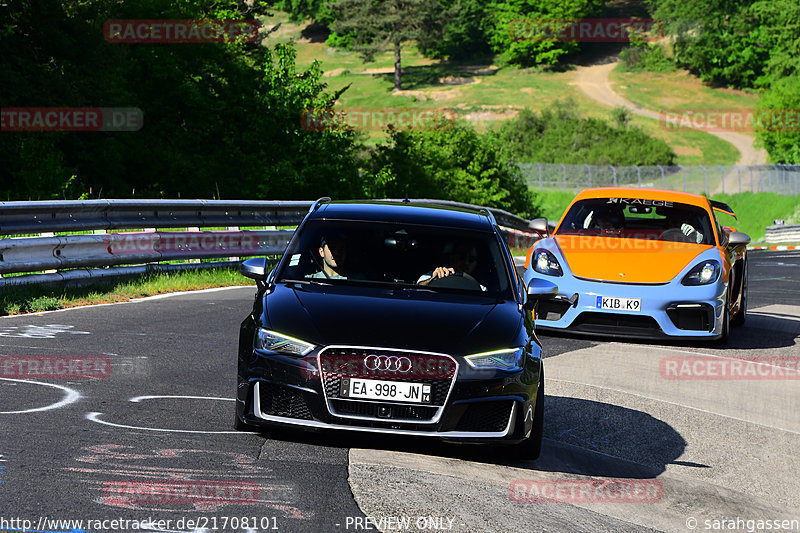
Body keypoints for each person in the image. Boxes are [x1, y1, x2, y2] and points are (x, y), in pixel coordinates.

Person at [418, 242, 486, 290]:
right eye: (461, 258)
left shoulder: (480, 287)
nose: (466, 262)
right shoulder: (434, 274)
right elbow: (418, 288)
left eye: (471, 259)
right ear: (452, 259)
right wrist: (433, 279)